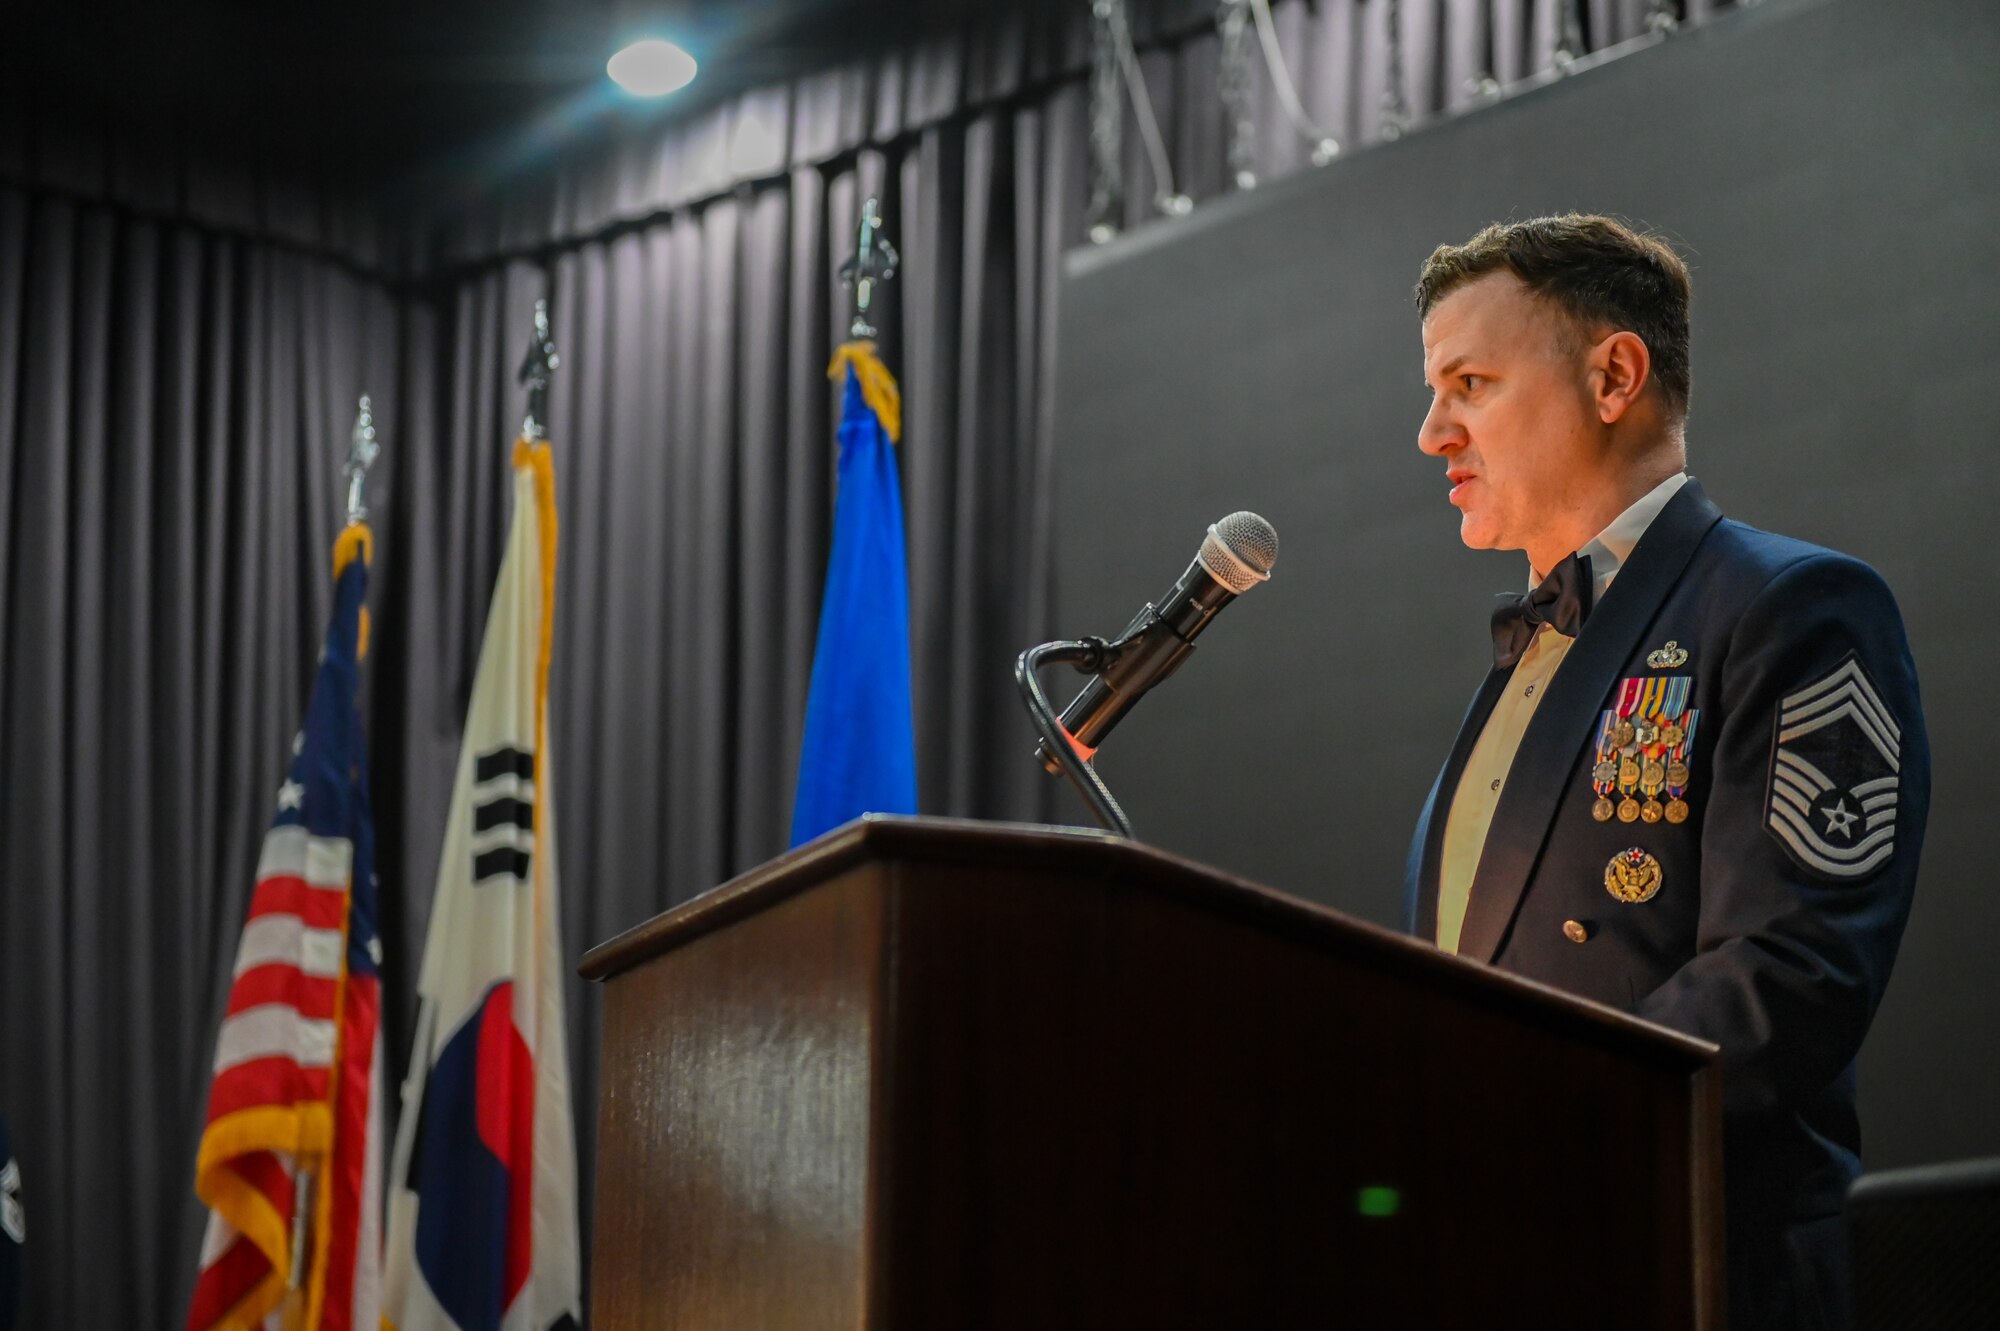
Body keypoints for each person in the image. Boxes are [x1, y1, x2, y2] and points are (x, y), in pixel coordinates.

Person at [1403, 214, 1927, 1330]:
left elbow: (1788, 980)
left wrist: (1503, 1129)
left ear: (1613, 375)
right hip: (1504, 1261)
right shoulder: (1524, 657)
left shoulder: (1789, 610)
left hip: (1696, 1266)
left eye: (1469, 382)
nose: (1429, 431)